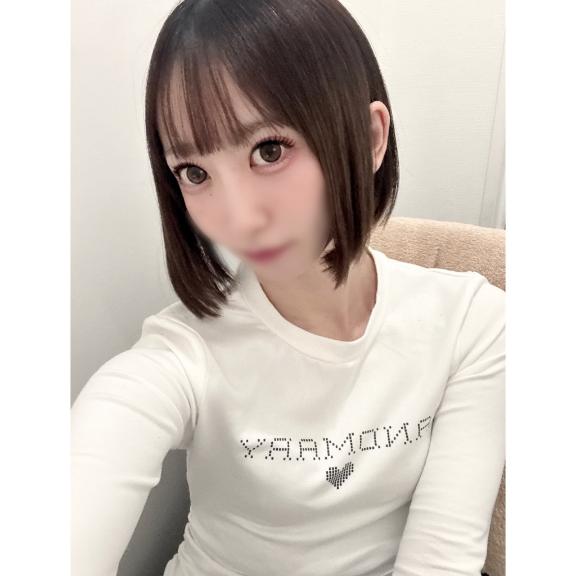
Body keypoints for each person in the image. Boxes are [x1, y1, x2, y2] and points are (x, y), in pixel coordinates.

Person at [71, 1, 505, 575]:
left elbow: (443, 557)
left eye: (268, 150)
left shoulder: (472, 323)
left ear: (369, 138)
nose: (238, 218)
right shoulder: (181, 355)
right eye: (194, 172)